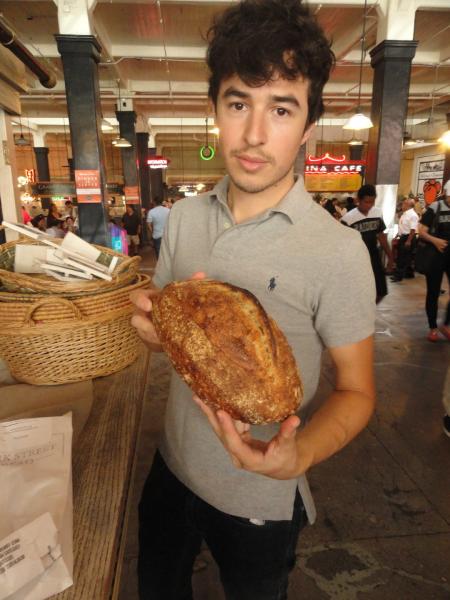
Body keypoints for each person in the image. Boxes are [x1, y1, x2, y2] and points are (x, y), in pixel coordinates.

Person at [131, 2, 376, 599]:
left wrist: (297, 459)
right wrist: (154, 328)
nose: (255, 134)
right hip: (172, 465)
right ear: (215, 108)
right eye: (239, 103)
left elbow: (358, 391)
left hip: (260, 499)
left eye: (282, 108)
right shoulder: (184, 218)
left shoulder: (337, 251)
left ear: (309, 123)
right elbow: (176, 329)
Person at [341, 184, 394, 303]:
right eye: (366, 202)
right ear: (358, 200)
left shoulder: (377, 213)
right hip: (357, 260)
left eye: (372, 202)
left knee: (381, 290)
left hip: (374, 256)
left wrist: (391, 257)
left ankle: (369, 311)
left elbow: (382, 237)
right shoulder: (348, 219)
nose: (369, 205)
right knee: (360, 292)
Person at [418, 179, 450, 342]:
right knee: (433, 292)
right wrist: (435, 241)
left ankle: (446, 324)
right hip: (435, 254)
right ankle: (433, 328)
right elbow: (421, 231)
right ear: (445, 194)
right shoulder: (435, 208)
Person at [390, 198, 419, 282]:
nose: (402, 205)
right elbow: (402, 227)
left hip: (408, 237)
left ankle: (398, 276)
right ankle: (409, 274)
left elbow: (413, 229)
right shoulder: (404, 214)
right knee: (404, 256)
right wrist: (396, 236)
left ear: (408, 205)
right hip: (403, 236)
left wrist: (409, 241)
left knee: (402, 257)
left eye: (403, 204)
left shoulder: (413, 215)